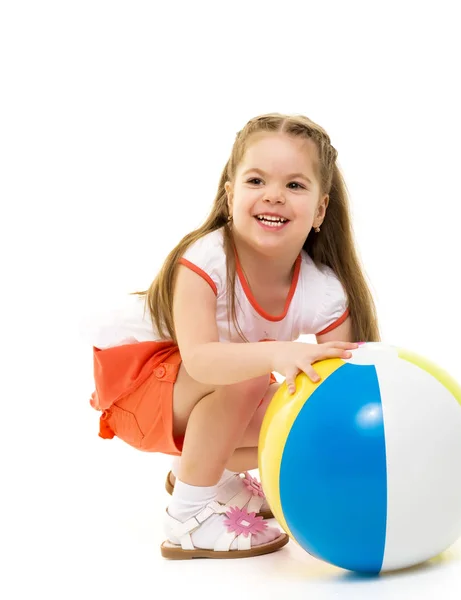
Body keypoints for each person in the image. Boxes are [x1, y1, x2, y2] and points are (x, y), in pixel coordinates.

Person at [83, 112, 380, 560]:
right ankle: (188, 516)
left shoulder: (324, 291)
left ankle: (198, 472)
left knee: (300, 413)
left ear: (320, 209)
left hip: (185, 395)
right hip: (133, 385)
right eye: (256, 180)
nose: (274, 196)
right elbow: (202, 360)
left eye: (295, 186)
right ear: (230, 195)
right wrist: (277, 352)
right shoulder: (205, 258)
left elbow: (336, 387)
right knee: (250, 370)